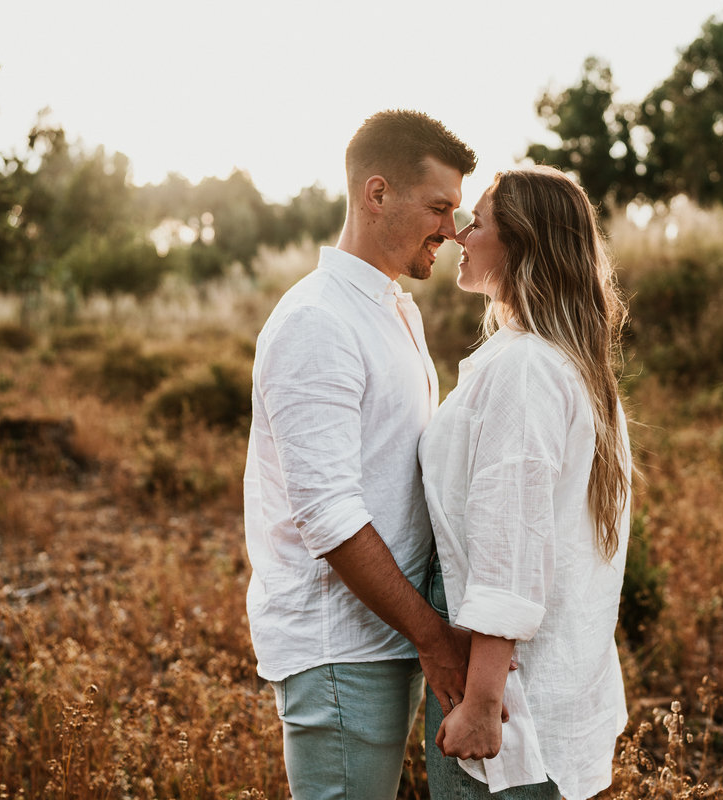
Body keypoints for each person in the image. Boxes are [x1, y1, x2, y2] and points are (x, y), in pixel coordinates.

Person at [243, 110, 478, 799]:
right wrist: (433, 638)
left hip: (387, 635)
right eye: (439, 207)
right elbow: (328, 514)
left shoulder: (393, 308)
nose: (453, 231)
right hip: (342, 648)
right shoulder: (318, 321)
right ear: (377, 195)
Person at [419, 165, 632, 799]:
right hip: (556, 692)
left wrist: (482, 700)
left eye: (476, 223)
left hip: (511, 707)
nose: (460, 234)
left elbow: (511, 544)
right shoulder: (568, 362)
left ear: (519, 245)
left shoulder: (528, 369)